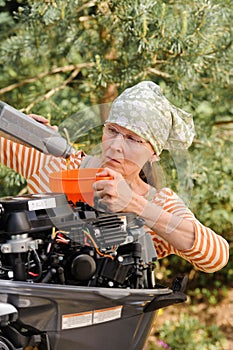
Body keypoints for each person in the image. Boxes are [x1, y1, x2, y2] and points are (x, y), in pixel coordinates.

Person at [0, 81, 229, 273]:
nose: (115, 146)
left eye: (132, 139)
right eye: (112, 131)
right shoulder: (55, 166)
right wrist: (16, 128)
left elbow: (215, 256)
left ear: (154, 153)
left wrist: (134, 205)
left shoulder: (157, 203)